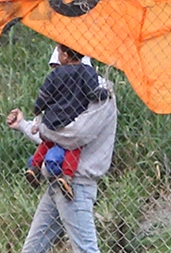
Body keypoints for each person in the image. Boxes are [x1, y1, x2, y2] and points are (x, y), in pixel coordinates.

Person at [7, 48, 118, 253]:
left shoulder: (100, 95)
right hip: (58, 183)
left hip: (76, 184)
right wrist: (25, 125)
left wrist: (40, 126)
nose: (58, 79)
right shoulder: (75, 92)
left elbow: (74, 135)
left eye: (59, 70)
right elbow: (56, 138)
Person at [24, 44, 110, 200]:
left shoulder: (56, 74)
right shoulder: (87, 72)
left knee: (47, 142)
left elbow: (44, 95)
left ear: (65, 56)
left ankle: (34, 167)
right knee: (73, 146)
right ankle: (67, 176)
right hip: (71, 120)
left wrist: (37, 109)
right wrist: (105, 93)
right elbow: (93, 93)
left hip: (52, 120)